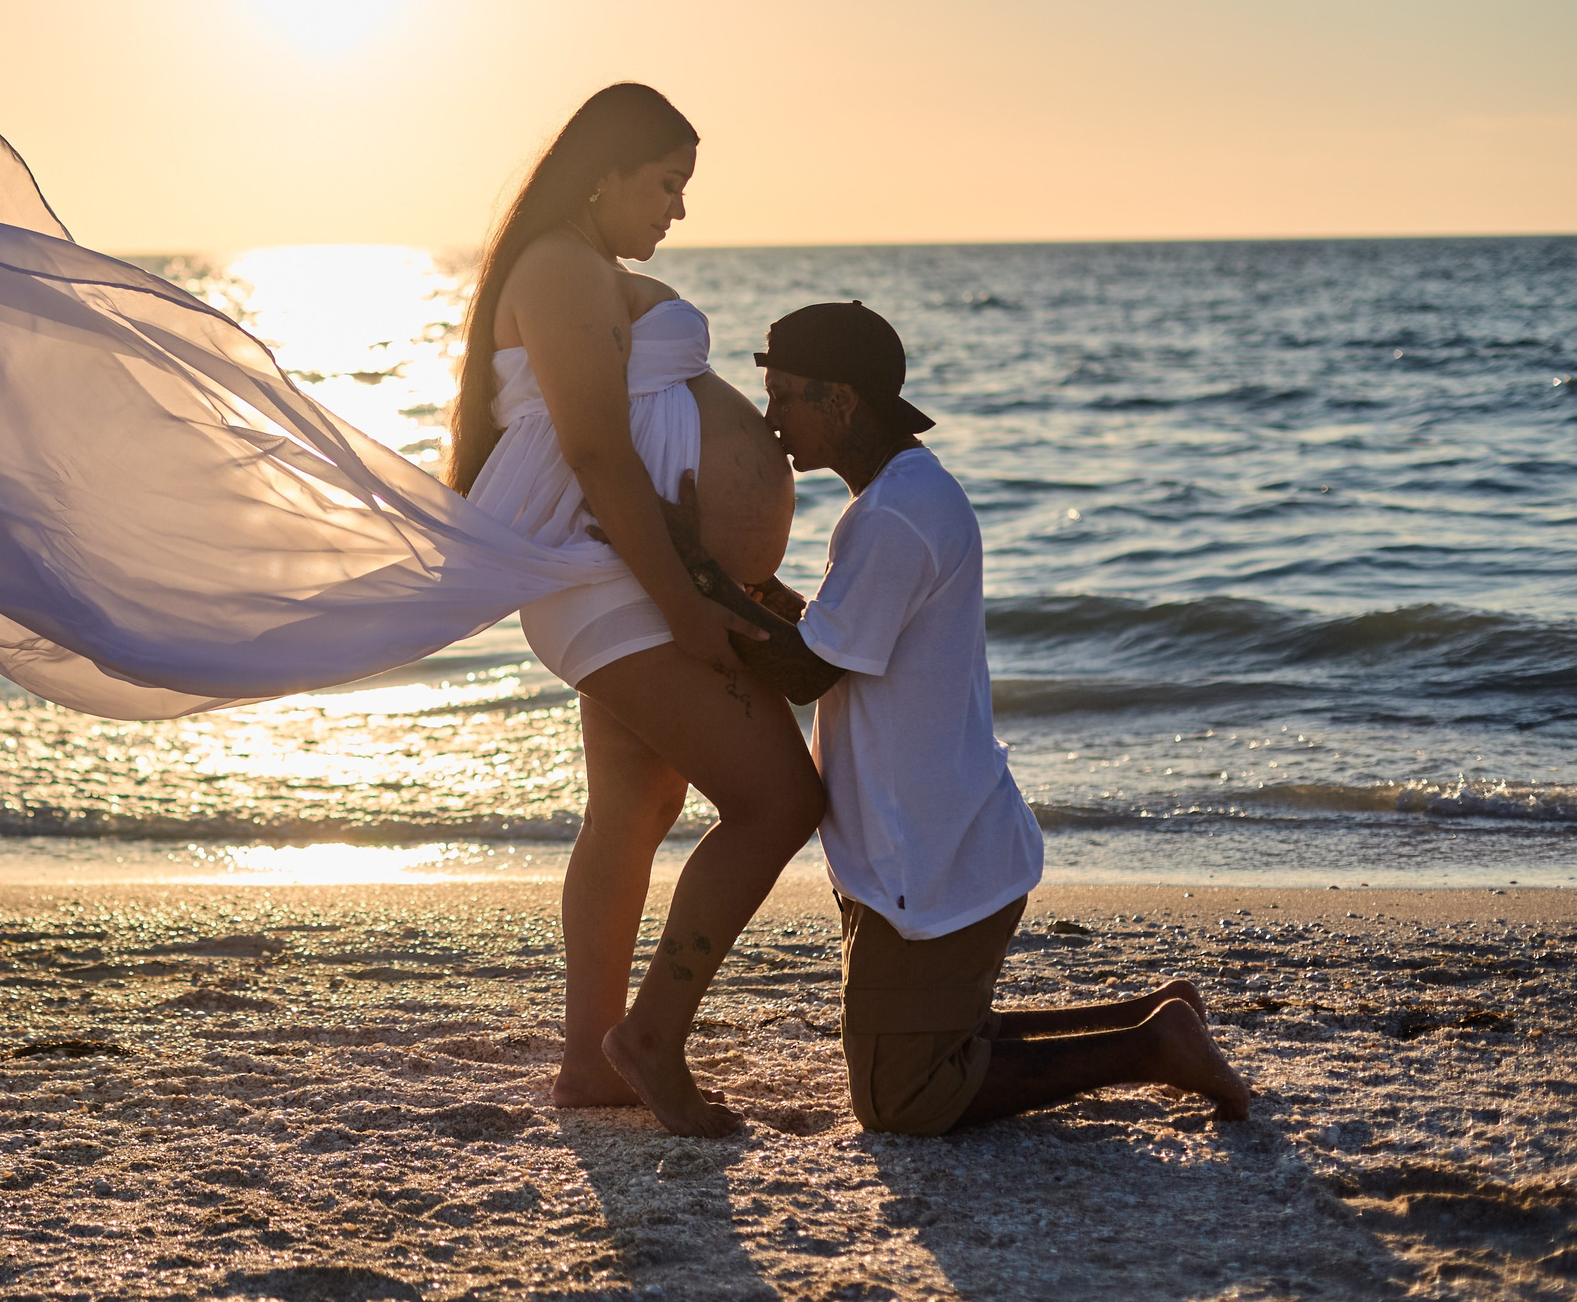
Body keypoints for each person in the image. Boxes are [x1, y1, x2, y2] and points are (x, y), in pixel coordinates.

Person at [652, 301, 1251, 1132]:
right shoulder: (900, 495)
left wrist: (689, 562)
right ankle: (1150, 1019)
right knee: (933, 1045)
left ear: (843, 402)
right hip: (925, 842)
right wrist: (747, 585)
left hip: (929, 859)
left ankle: (1150, 1050)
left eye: (787, 396)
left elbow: (803, 670)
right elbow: (832, 636)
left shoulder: (895, 514)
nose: (771, 419)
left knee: (901, 1096)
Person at [451, 85, 824, 1137]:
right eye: (665, 185)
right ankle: (648, 1039)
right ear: (600, 174)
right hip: (617, 587)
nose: (677, 212)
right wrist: (689, 606)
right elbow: (597, 449)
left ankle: (589, 1062)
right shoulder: (562, 267)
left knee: (633, 809)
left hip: (630, 581)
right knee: (778, 803)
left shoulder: (582, 269)